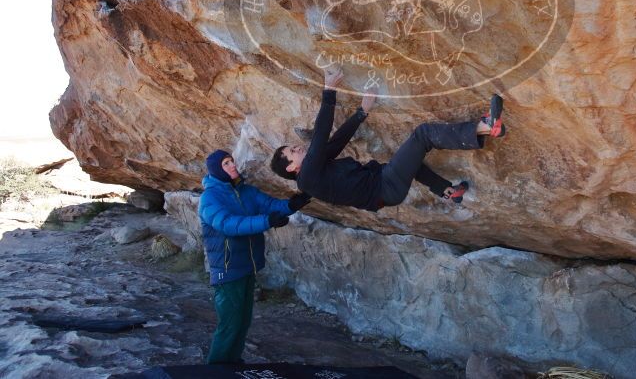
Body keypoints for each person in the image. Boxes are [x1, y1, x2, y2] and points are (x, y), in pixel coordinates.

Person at [270, 67, 506, 212]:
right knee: (422, 135)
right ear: (292, 167)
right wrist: (329, 90)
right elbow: (321, 134)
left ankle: (447, 191)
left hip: (385, 187)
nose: (298, 147)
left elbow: (335, 142)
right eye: (292, 150)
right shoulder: (307, 178)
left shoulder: (314, 172)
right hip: (385, 187)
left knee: (411, 163)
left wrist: (362, 113)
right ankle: (486, 126)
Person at [199, 149, 310, 364]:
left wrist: (292, 204)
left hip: (247, 265)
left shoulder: (246, 191)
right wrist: (267, 221)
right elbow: (228, 225)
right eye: (225, 164)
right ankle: (214, 370)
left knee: (243, 321)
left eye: (231, 161)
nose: (232, 166)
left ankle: (232, 364)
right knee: (229, 323)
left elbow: (270, 205)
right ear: (216, 170)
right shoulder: (210, 198)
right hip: (227, 268)